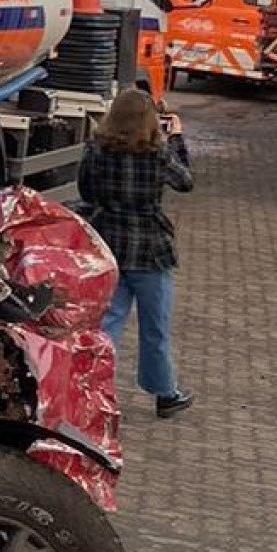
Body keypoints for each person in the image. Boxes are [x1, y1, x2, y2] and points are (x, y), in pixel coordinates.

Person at [78, 89, 193, 417]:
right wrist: (177, 140)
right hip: (151, 252)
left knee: (108, 323)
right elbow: (186, 182)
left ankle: (91, 390)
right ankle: (165, 394)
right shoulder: (157, 152)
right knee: (155, 327)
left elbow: (86, 191)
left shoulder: (97, 150)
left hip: (110, 245)